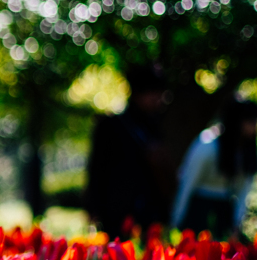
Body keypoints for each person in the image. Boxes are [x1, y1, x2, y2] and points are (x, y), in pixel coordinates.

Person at [85, 66, 173, 238]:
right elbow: (96, 169)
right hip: (116, 211)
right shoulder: (110, 125)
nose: (159, 99)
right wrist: (93, 208)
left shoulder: (155, 126)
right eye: (153, 93)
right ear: (138, 93)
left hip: (150, 211)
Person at [171, 98, 257, 238]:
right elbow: (188, 183)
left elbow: (243, 190)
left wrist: (236, 223)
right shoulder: (208, 146)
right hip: (198, 209)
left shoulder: (246, 151)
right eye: (250, 121)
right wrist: (176, 220)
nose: (254, 126)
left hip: (224, 210)